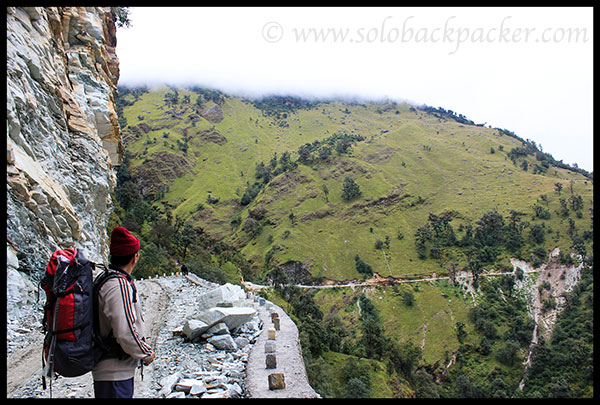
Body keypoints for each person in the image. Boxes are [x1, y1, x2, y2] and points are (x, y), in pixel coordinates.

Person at [92, 226, 155, 398]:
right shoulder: (119, 285)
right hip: (115, 372)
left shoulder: (107, 279)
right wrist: (146, 353)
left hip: (110, 372)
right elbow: (125, 331)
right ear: (135, 257)